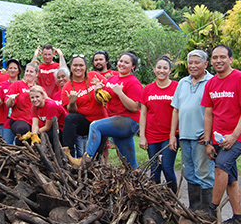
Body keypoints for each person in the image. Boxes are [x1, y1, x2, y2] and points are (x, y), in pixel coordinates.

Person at [199, 45, 241, 224]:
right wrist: (207, 142)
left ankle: (211, 210)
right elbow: (208, 114)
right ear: (211, 61)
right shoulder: (211, 83)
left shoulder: (240, 78)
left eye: (223, 57)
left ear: (231, 59)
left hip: (239, 134)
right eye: (215, 57)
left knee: (221, 166)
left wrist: (234, 136)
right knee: (230, 177)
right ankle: (239, 219)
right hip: (219, 136)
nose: (218, 61)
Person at [169, 50, 214, 211]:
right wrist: (173, 135)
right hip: (185, 136)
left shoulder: (212, 82)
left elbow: (217, 110)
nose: (193, 66)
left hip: (202, 137)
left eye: (197, 62)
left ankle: (207, 211)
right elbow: (176, 110)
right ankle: (194, 209)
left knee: (204, 174)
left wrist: (210, 134)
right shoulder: (183, 83)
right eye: (191, 63)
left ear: (206, 64)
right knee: (189, 173)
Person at [86, 51, 143, 168]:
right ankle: (140, 182)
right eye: (121, 61)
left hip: (129, 121)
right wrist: (98, 90)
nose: (122, 64)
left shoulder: (133, 82)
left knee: (95, 126)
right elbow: (102, 101)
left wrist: (120, 93)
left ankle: (87, 159)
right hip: (116, 122)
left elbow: (134, 107)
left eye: (126, 62)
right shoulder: (112, 79)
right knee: (128, 162)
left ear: (133, 66)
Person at [139, 56, 179, 193]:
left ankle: (173, 200)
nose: (161, 70)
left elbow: (179, 111)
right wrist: (142, 136)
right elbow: (143, 114)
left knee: (167, 168)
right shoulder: (148, 89)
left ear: (170, 71)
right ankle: (156, 203)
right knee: (154, 170)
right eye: (159, 67)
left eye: (165, 68)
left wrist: (173, 135)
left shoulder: (177, 87)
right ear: (154, 69)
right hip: (152, 135)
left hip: (170, 135)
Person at [61, 55, 107, 158]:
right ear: (71, 67)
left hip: (101, 120)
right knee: (70, 118)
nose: (78, 68)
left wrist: (99, 89)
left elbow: (108, 90)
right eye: (75, 65)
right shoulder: (67, 87)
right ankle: (69, 155)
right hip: (85, 121)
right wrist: (72, 102)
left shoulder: (95, 76)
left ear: (86, 66)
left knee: (96, 156)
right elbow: (72, 111)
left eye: (81, 65)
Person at [5, 63, 39, 144]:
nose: (28, 73)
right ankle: (20, 151)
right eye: (27, 71)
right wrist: (11, 100)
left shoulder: (39, 88)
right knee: (23, 129)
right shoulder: (17, 84)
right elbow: (8, 104)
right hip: (19, 119)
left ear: (36, 74)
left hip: (34, 121)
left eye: (31, 71)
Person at [0, 59, 22, 144]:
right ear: (7, 70)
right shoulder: (2, 85)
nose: (12, 70)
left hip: (21, 120)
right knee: (7, 145)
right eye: (10, 68)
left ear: (19, 71)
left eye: (15, 68)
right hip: (7, 121)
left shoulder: (23, 84)